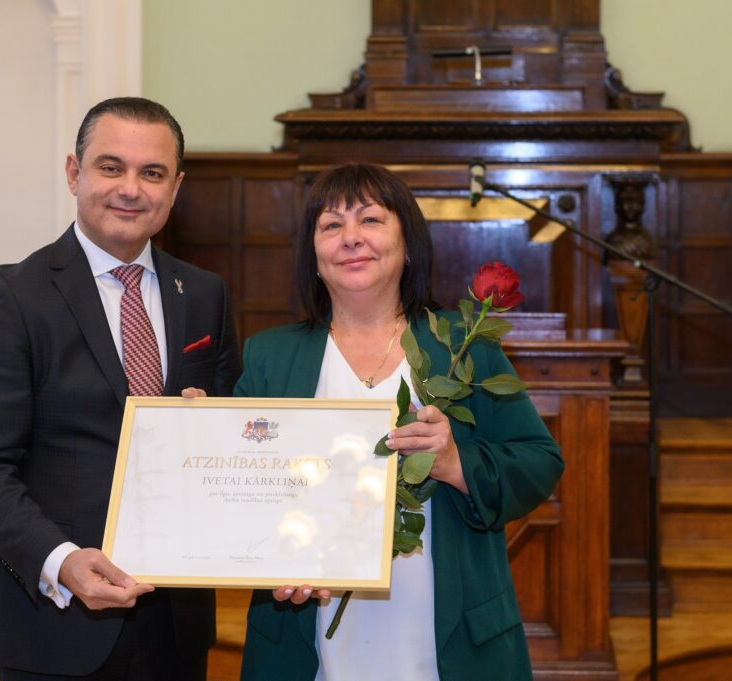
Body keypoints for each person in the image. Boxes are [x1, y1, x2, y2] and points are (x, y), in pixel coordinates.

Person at [235, 163, 564, 681]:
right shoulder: (270, 357)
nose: (351, 238)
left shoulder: (463, 346)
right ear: (313, 256)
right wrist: (201, 430)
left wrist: (455, 462)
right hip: (307, 626)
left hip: (448, 629)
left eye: (370, 220)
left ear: (407, 244)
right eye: (331, 225)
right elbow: (241, 489)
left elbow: (539, 462)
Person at [0, 97, 240, 680]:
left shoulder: (204, 294)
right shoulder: (12, 296)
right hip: (54, 619)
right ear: (73, 173)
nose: (130, 189)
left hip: (176, 621)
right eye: (111, 167)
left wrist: (216, 430)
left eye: (152, 172)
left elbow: (232, 444)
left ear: (175, 187)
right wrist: (60, 561)